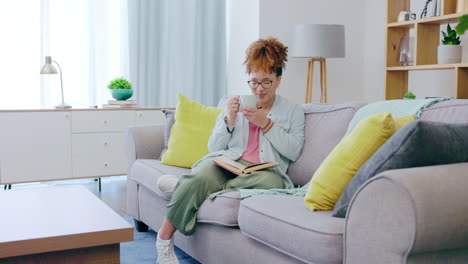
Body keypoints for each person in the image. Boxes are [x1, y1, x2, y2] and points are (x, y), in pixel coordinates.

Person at [155, 37, 305, 264]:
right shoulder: (236, 103)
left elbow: (293, 151)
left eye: (266, 82)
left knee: (273, 185)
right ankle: (164, 242)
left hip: (263, 171)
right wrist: (229, 120)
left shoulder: (293, 110)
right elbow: (214, 147)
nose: (259, 89)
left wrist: (266, 123)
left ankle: (190, 185)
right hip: (230, 162)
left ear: (278, 80)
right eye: (254, 82)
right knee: (205, 172)